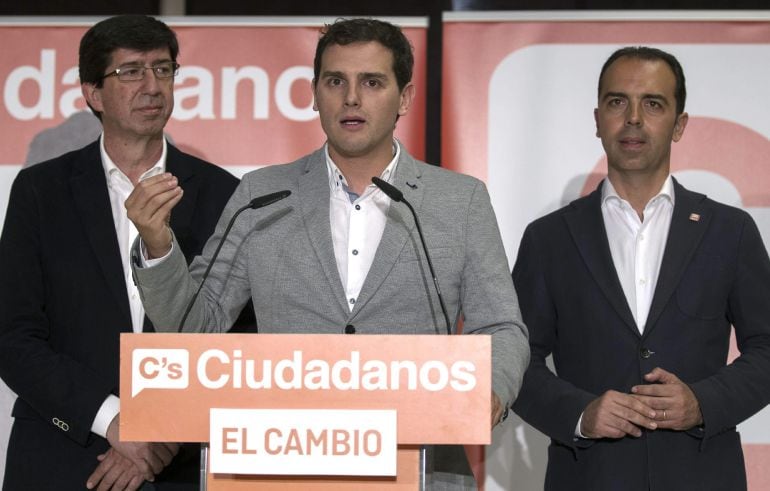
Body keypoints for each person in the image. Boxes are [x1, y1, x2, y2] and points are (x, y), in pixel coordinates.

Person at [127, 18, 529, 489]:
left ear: (404, 98)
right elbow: (198, 327)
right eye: (336, 81)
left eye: (372, 82)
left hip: (420, 465)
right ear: (315, 94)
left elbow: (501, 325)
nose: (351, 98)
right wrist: (158, 246)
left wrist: (491, 390)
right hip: (284, 467)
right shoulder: (262, 194)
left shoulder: (459, 200)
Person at [0, 15, 242, 490]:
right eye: (131, 71)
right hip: (62, 458)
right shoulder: (41, 191)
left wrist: (162, 430)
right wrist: (113, 420)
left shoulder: (224, 194)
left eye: (163, 69)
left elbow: (239, 339)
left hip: (178, 465)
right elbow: (12, 335)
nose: (152, 86)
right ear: (93, 93)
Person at [512, 46, 770, 490]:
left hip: (702, 476)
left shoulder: (730, 231)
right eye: (618, 102)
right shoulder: (548, 238)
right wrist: (580, 413)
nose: (633, 118)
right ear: (598, 120)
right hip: (590, 477)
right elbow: (514, 359)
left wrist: (702, 403)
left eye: (653, 104)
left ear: (679, 124)